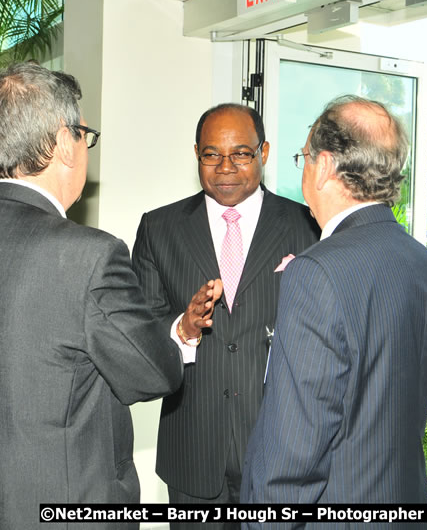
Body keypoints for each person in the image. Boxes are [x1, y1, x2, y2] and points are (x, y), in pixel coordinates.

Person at [0, 62, 217, 529]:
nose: (86, 148)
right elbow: (153, 373)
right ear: (64, 142)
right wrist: (181, 336)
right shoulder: (89, 256)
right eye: (85, 134)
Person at [240, 95, 427, 518]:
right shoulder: (420, 260)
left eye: (304, 157)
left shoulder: (316, 272)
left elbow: (293, 449)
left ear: (327, 166)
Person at [131, 103, 319, 523]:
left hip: (281, 451)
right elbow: (139, 337)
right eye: (211, 154)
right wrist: (182, 328)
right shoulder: (158, 229)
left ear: (264, 152)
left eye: (241, 153)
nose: (225, 167)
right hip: (192, 453)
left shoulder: (308, 227)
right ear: (196, 153)